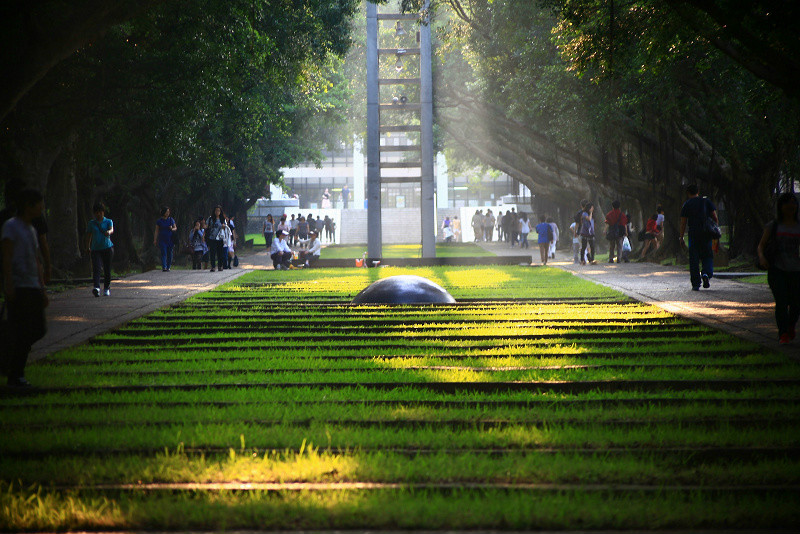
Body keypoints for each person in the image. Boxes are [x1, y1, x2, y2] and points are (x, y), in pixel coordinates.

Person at [1, 188, 48, 387]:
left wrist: (42, 286)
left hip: (32, 285)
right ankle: (16, 374)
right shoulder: (11, 227)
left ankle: (14, 366)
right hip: (19, 285)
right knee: (21, 329)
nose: (42, 207)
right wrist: (8, 282)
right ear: (29, 205)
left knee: (38, 328)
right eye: (39, 203)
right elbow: (6, 256)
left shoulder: (31, 229)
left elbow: (36, 258)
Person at [758, 193, 800, 343]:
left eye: (793, 203)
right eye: (787, 204)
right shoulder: (773, 226)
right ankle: (783, 333)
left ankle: (790, 326)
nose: (791, 207)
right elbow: (761, 245)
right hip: (777, 269)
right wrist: (762, 257)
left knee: (796, 304)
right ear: (781, 207)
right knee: (781, 302)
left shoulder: (798, 226)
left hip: (796, 270)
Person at [679, 184, 718, 291]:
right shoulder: (706, 201)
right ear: (698, 191)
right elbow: (714, 217)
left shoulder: (687, 204)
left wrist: (681, 237)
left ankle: (696, 283)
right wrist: (715, 230)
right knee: (707, 255)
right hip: (706, 234)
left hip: (693, 235)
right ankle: (706, 273)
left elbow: (683, 223)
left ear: (688, 193)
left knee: (694, 259)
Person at [85, 202, 114, 296]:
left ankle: (106, 288)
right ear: (94, 213)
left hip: (107, 248)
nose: (99, 214)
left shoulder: (108, 221)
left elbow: (111, 229)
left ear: (103, 212)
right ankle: (96, 287)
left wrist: (108, 232)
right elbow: (88, 236)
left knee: (107, 269)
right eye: (96, 212)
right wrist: (87, 246)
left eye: (100, 212)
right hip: (95, 249)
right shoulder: (91, 223)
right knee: (96, 268)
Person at [153, 206, 177, 272]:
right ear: (163, 212)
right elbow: (156, 231)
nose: (168, 213)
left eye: (168, 212)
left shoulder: (171, 220)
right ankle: (164, 267)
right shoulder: (159, 221)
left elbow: (175, 228)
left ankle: (168, 266)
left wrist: (172, 228)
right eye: (167, 212)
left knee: (170, 253)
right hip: (162, 239)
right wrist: (155, 239)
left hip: (170, 239)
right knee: (163, 252)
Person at [206, 206, 227, 272]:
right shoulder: (210, 219)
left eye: (218, 211)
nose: (217, 212)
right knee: (212, 252)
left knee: (220, 253)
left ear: (220, 212)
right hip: (212, 238)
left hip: (220, 238)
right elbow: (206, 226)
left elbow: (226, 227)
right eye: (216, 210)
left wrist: (224, 226)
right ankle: (213, 266)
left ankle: (220, 266)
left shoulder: (222, 219)